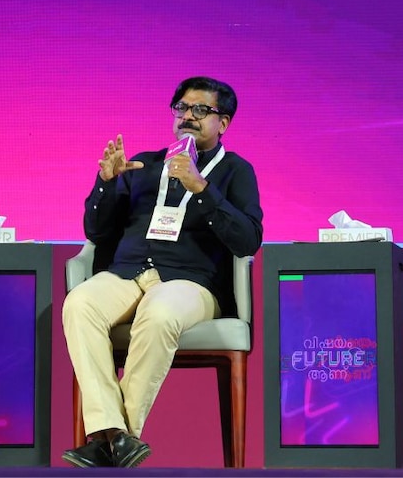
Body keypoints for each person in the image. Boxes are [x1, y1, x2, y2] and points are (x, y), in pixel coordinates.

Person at [61, 76, 263, 468]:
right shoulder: (144, 164)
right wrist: (106, 183)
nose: (188, 116)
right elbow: (96, 231)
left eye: (201, 110)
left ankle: (110, 439)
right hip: (127, 274)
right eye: (182, 108)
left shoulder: (236, 171)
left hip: (190, 282)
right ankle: (117, 438)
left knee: (160, 312)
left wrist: (202, 188)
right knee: (79, 303)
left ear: (223, 123)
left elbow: (247, 240)